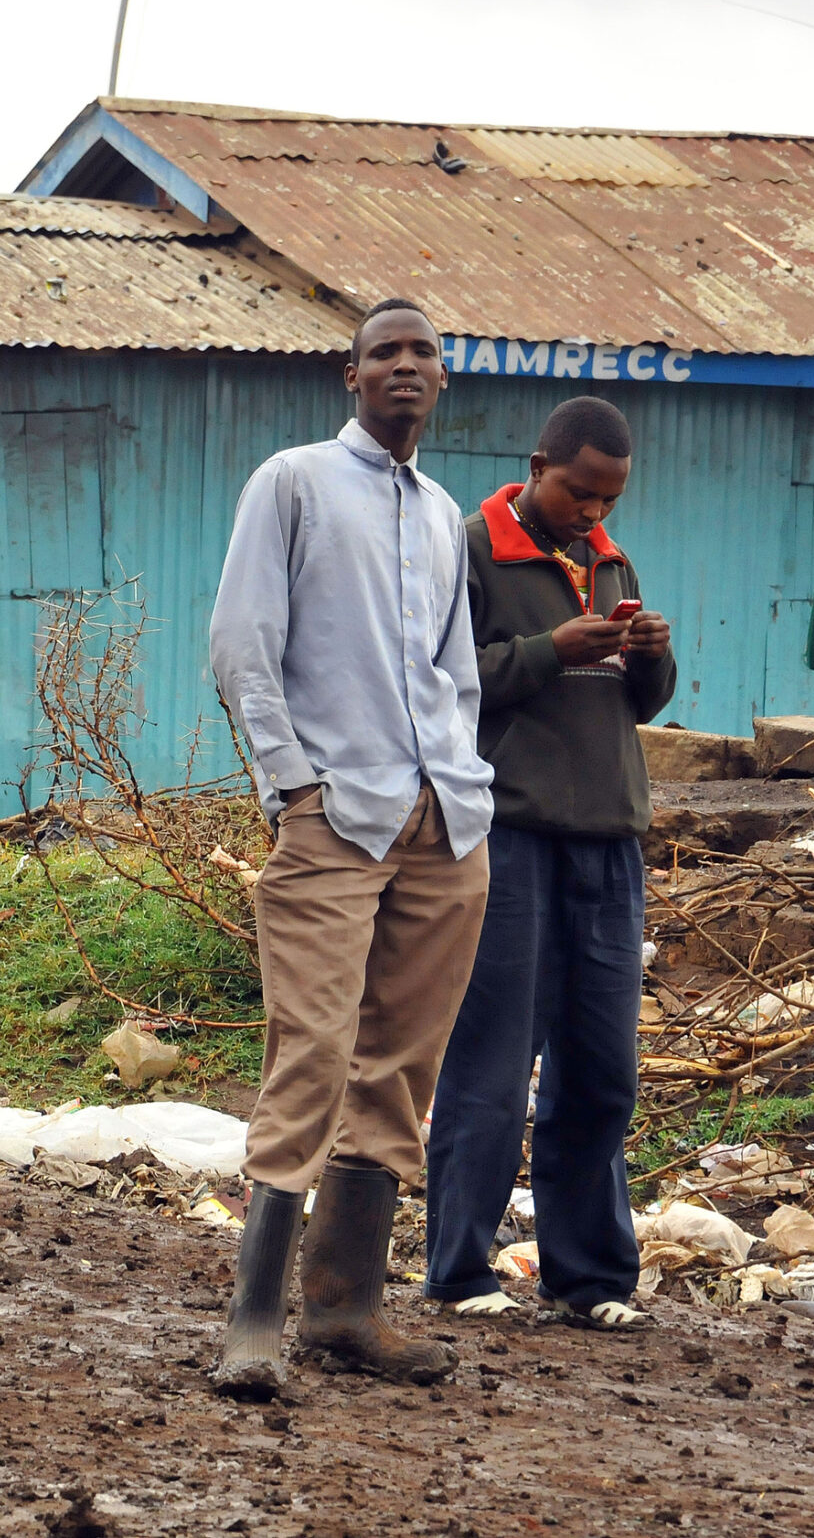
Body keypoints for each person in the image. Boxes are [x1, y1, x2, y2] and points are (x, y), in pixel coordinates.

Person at [205, 297, 496, 1396]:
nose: (406, 366)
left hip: (442, 820)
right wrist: (291, 786)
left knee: (397, 1073)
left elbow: (453, 668)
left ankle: (345, 1314)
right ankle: (250, 1323)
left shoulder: (438, 512)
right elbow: (241, 643)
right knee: (313, 1053)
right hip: (336, 814)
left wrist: (460, 779)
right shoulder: (292, 481)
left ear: (442, 377)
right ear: (351, 375)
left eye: (425, 350)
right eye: (386, 352)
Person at [423, 395, 676, 1331]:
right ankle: (457, 1268)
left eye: (609, 499)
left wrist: (652, 654)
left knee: (602, 1069)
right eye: (579, 493)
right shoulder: (470, 550)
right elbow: (441, 683)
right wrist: (546, 648)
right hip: (511, 835)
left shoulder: (610, 560)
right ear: (537, 465)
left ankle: (591, 1278)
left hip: (610, 842)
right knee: (491, 1060)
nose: (593, 515)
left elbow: (638, 706)